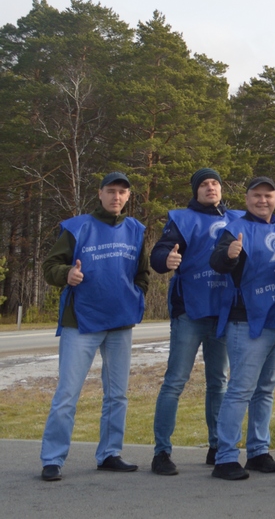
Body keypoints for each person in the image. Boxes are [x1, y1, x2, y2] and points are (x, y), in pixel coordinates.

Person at [39, 171, 149, 481]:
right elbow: (50, 266)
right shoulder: (76, 228)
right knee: (67, 394)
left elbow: (142, 274)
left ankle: (110, 453)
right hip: (82, 323)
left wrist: (137, 295)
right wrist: (67, 275)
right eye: (111, 191)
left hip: (120, 323)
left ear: (128, 197)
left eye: (122, 192)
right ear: (100, 194)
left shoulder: (136, 230)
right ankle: (52, 459)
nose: (116, 197)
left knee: (117, 394)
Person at [149, 168, 239, 475]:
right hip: (190, 311)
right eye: (204, 184)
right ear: (196, 191)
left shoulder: (237, 219)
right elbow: (160, 251)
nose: (211, 188)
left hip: (223, 312)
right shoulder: (182, 219)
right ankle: (162, 451)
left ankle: (217, 446)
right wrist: (166, 260)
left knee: (219, 382)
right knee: (175, 381)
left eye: (215, 183)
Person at [209, 177, 275, 480]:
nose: (262, 201)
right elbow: (217, 261)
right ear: (246, 199)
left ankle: (258, 450)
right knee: (240, 389)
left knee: (266, 389)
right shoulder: (234, 229)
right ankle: (226, 456)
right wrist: (229, 255)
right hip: (245, 320)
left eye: (268, 196)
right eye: (256, 196)